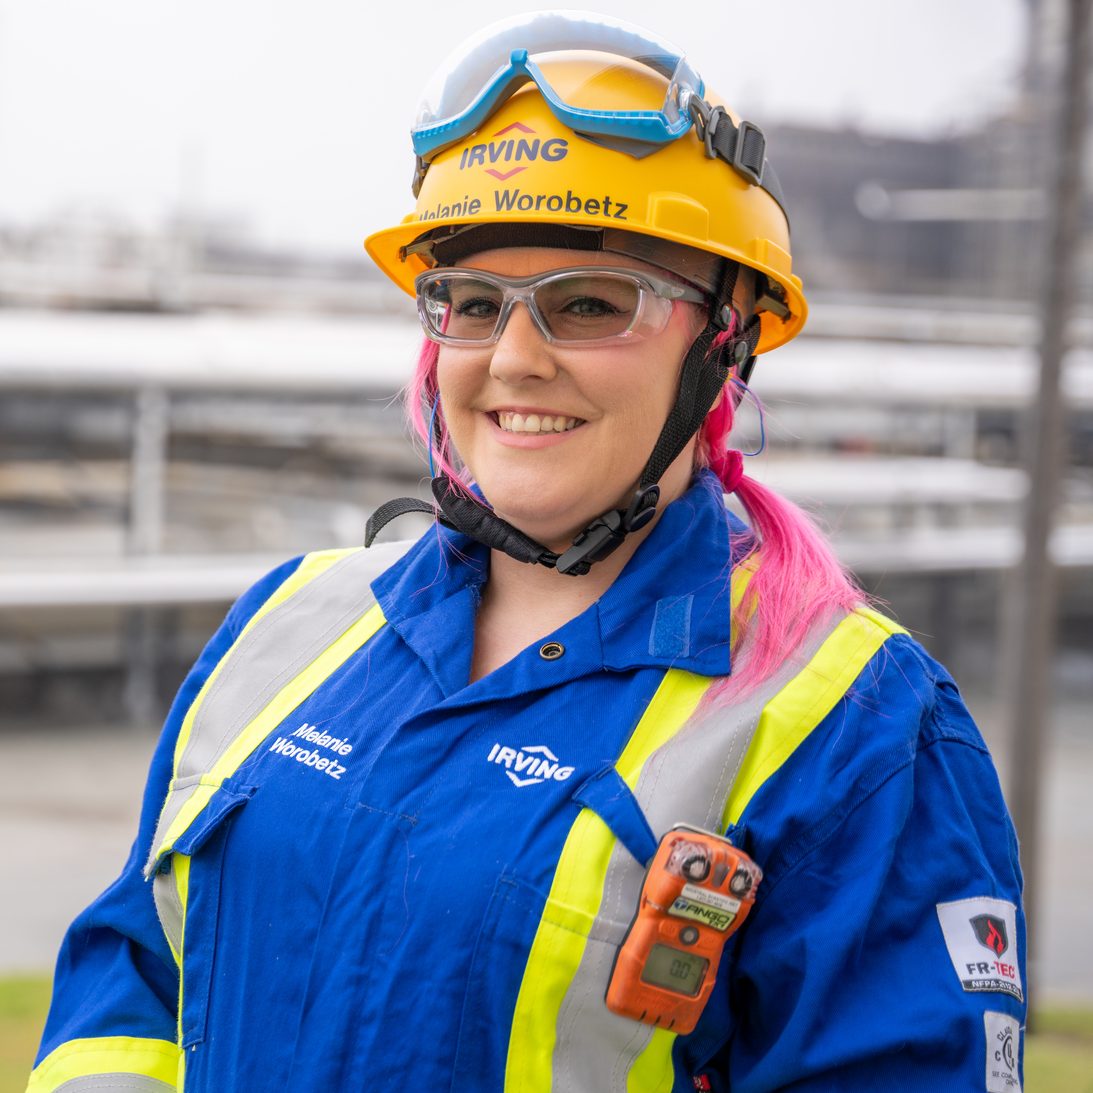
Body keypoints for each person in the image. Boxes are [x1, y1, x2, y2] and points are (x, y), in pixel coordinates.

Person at [29, 12, 1025, 1092]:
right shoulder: (290, 623)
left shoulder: (854, 727)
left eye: (588, 304)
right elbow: (133, 970)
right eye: (470, 302)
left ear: (722, 344)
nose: (513, 358)